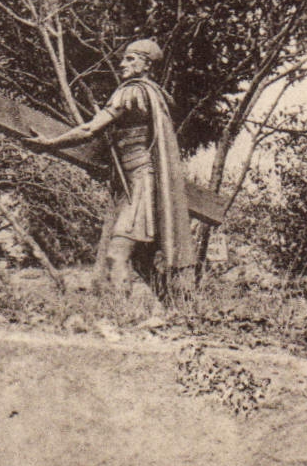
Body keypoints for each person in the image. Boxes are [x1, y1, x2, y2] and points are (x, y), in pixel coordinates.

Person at [25, 38, 194, 298]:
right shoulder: (154, 94)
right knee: (139, 258)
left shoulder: (131, 91)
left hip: (140, 182)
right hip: (138, 180)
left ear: (146, 65)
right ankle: (179, 307)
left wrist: (50, 144)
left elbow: (89, 129)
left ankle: (124, 313)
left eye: (130, 59)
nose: (122, 64)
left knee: (117, 254)